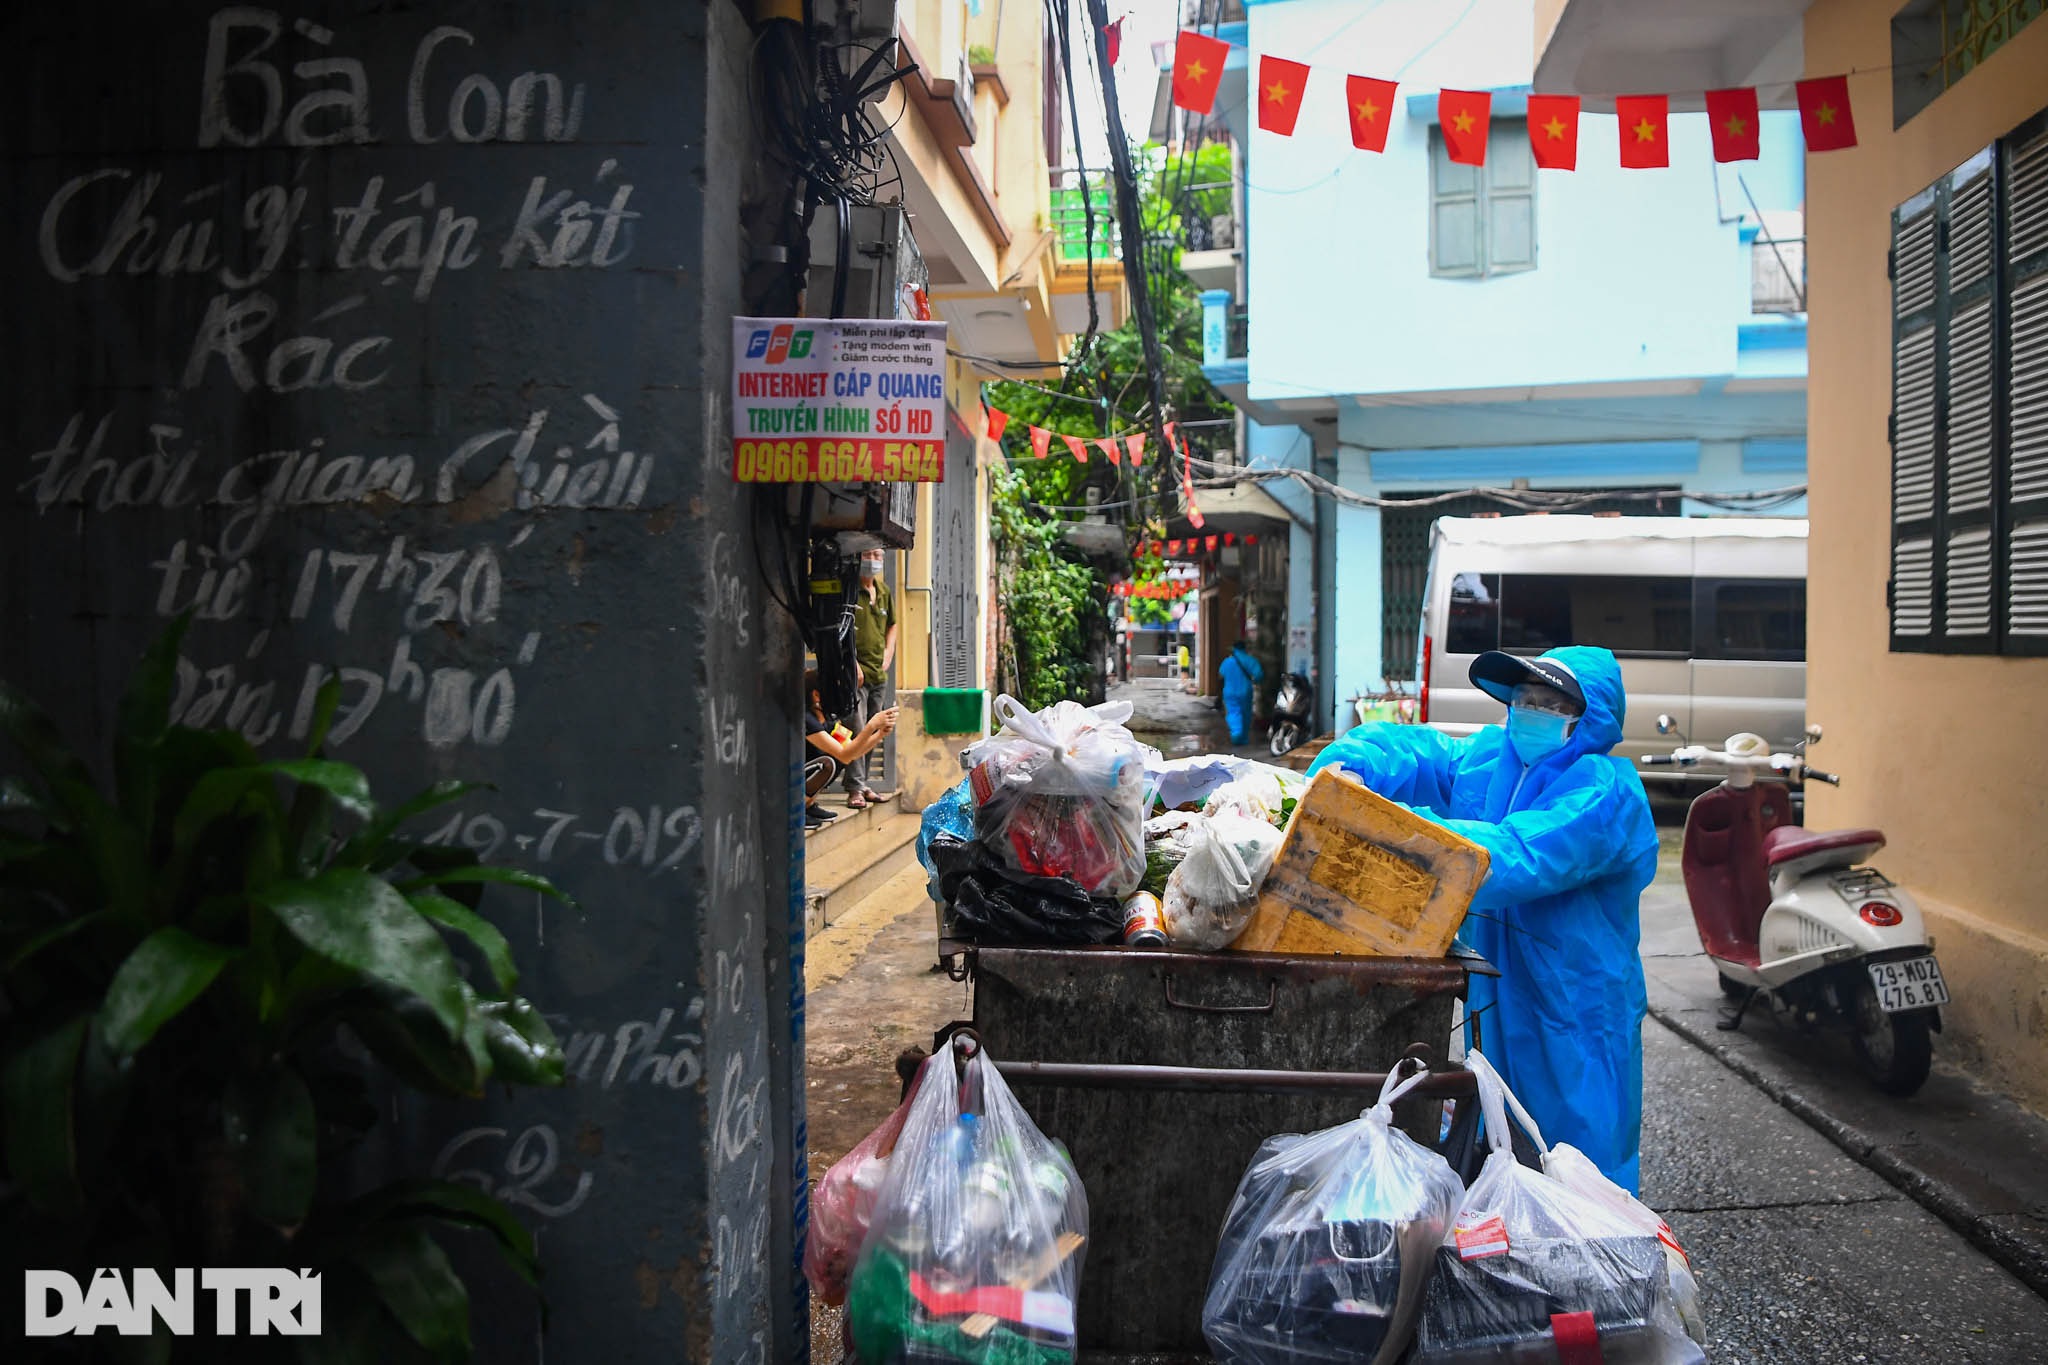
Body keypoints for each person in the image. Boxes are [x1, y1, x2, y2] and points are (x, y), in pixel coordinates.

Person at [1306, 646, 1658, 1192]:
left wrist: (1392, 822)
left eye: (1549, 703)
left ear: (1587, 720)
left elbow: (1510, 856)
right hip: (1500, 995)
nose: (1530, 711)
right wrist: (1352, 765)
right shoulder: (1495, 758)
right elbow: (1422, 751)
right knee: (1500, 1146)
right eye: (1523, 699)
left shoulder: (1605, 793)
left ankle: (1594, 1265)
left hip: (1575, 1009)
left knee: (1578, 1165)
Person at [804, 670, 897, 828]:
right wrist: (871, 725)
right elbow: (845, 754)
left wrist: (880, 734)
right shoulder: (807, 720)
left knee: (837, 760)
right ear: (816, 696)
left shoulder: (829, 720)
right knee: (828, 763)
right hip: (786, 785)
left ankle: (808, 806)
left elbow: (852, 752)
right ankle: (798, 810)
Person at [843, 547, 897, 809]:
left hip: (879, 674)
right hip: (857, 675)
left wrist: (889, 653)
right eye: (868, 555)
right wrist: (851, 663)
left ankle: (863, 784)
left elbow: (893, 625)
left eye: (878, 556)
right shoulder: (849, 590)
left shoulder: (884, 592)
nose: (873, 561)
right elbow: (837, 630)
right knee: (858, 726)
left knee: (874, 729)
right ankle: (854, 788)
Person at [1219, 640, 1264, 746]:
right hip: (1245, 691)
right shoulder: (1251, 660)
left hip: (1230, 692)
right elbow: (1258, 675)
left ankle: (1236, 734)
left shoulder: (1227, 661)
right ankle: (1243, 738)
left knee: (1233, 712)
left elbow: (1220, 675)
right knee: (1246, 714)